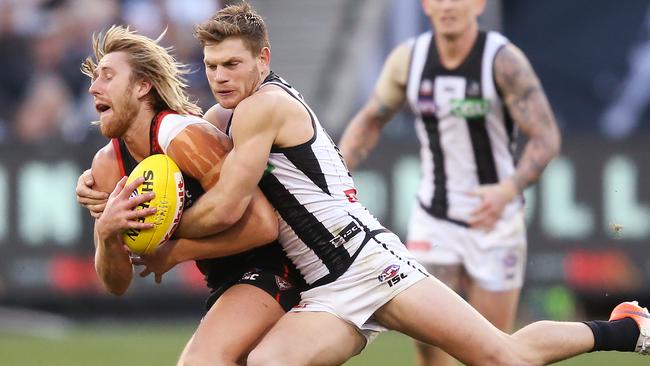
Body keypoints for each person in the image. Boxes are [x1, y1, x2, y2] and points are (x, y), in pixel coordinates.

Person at [148, 2, 648, 366]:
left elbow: (231, 204)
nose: (220, 76)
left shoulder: (264, 105)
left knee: (503, 356)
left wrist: (167, 242)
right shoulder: (226, 114)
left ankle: (625, 329)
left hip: (370, 263)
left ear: (264, 58)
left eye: (233, 64)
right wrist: (116, 196)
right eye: (211, 66)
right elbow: (180, 170)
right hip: (323, 286)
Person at [338, 0, 560, 364]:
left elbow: (546, 136)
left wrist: (507, 190)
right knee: (428, 342)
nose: (447, 6)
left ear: (478, 4)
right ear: (425, 5)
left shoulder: (502, 60)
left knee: (494, 348)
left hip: (495, 221)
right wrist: (338, 177)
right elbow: (369, 121)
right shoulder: (410, 60)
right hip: (434, 217)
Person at [77, 25, 305, 366]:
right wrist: (108, 236)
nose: (94, 87)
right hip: (225, 282)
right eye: (95, 78)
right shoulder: (108, 164)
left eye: (107, 76)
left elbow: (263, 225)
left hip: (276, 269)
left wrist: (176, 251)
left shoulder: (184, 136)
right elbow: (116, 284)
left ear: (142, 86)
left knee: (201, 362)